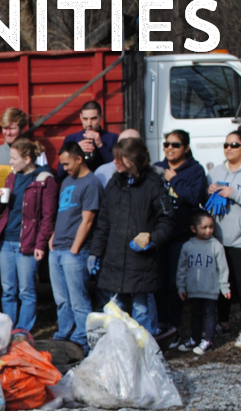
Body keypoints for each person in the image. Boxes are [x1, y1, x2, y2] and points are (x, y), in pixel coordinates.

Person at [88, 138, 173, 334]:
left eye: (120, 158)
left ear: (133, 160)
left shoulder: (152, 184)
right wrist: (96, 252)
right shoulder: (114, 183)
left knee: (141, 309)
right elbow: (104, 222)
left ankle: (144, 350)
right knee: (114, 310)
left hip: (141, 261)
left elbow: (167, 220)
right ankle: (118, 350)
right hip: (114, 259)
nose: (115, 162)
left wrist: (152, 238)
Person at [0, 139, 58, 333]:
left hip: (26, 241)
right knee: (7, 289)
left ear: (27, 159)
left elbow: (48, 216)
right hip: (6, 240)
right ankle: (8, 328)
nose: (10, 162)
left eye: (14, 158)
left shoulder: (44, 180)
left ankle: (22, 330)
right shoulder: (12, 176)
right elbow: (5, 209)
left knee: (26, 290)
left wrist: (40, 244)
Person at [153, 130, 207, 347]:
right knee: (157, 281)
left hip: (180, 235)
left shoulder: (194, 170)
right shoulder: (157, 167)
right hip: (158, 234)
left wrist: (173, 179)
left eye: (175, 144)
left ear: (186, 147)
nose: (169, 148)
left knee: (175, 283)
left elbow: (196, 197)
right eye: (166, 144)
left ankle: (174, 327)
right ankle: (160, 324)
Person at [50, 142, 103, 352]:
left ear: (79, 159)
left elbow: (87, 220)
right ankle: (64, 334)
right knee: (62, 299)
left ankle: (83, 338)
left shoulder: (91, 183)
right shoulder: (67, 182)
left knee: (78, 299)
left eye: (67, 163)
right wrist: (54, 236)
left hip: (74, 251)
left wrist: (75, 248)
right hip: (58, 248)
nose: (65, 168)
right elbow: (62, 213)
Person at [208, 124, 241, 347]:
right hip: (218, 235)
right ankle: (224, 324)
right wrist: (207, 193)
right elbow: (204, 205)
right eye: (226, 144)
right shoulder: (215, 172)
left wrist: (234, 193)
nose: (228, 148)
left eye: (234, 145)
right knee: (222, 282)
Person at [177, 211, 231, 355]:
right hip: (194, 289)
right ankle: (195, 338)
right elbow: (181, 269)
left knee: (209, 314)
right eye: (204, 227)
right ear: (194, 229)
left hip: (210, 289)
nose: (208, 230)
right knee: (196, 314)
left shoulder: (216, 246)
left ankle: (208, 340)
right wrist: (181, 286)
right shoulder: (187, 246)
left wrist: (224, 287)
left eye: (211, 227)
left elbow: (223, 268)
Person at [0, 108, 46, 204]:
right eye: (5, 128)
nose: (8, 133)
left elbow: (45, 183)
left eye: (12, 129)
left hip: (26, 215)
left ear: (22, 129)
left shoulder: (36, 151)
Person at [59, 100, 119, 179]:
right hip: (79, 185)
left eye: (93, 119)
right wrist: (76, 150)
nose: (89, 124)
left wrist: (100, 146)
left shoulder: (112, 138)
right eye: (85, 119)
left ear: (101, 117)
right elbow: (60, 173)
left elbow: (117, 168)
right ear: (80, 117)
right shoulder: (71, 139)